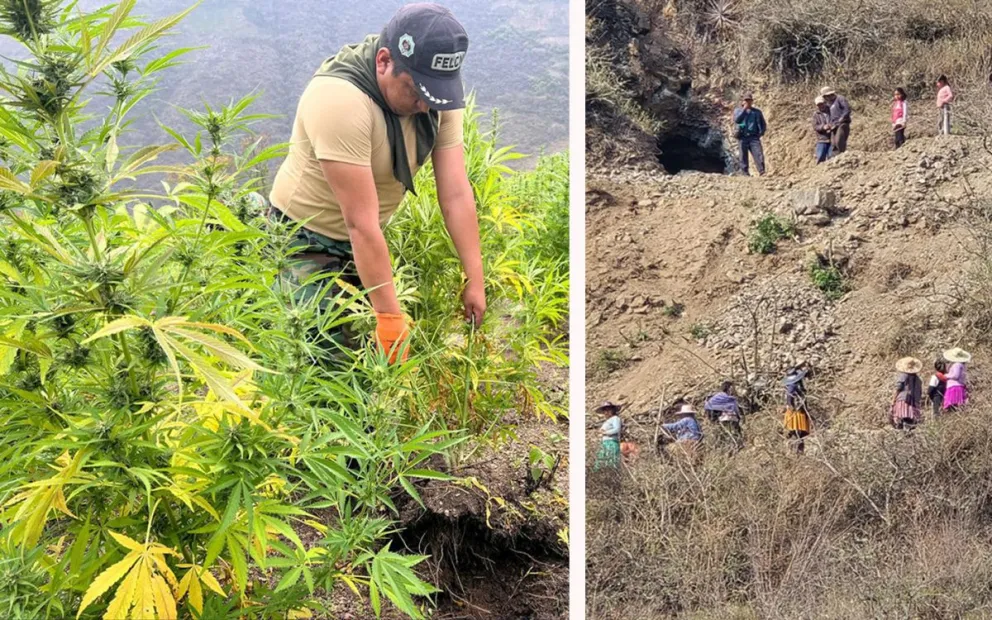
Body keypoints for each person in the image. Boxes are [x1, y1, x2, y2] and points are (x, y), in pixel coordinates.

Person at [267, 4, 486, 364]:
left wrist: (475, 278)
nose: (423, 105)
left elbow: (456, 193)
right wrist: (389, 319)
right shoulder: (340, 100)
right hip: (302, 241)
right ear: (384, 61)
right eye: (416, 90)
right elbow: (360, 224)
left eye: (435, 94)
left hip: (366, 242)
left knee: (368, 368)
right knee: (322, 365)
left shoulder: (437, 98)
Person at [732, 93, 767, 176]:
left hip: (754, 137)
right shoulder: (738, 110)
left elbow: (763, 124)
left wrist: (761, 133)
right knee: (743, 156)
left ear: (752, 101)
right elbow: (737, 120)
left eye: (749, 100)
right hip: (742, 136)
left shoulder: (757, 112)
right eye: (746, 100)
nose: (748, 102)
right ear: (743, 101)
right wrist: (744, 110)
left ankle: (762, 172)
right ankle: (745, 173)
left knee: (758, 154)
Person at [704, 381, 744, 452]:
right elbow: (734, 408)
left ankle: (730, 448)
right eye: (733, 388)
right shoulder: (728, 398)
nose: (734, 390)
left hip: (722, 419)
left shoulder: (718, 397)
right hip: (729, 419)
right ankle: (734, 447)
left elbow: (709, 405)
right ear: (729, 388)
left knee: (727, 434)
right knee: (732, 434)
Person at [782, 365, 812, 454]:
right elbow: (790, 395)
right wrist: (791, 405)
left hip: (795, 411)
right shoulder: (793, 386)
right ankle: (797, 452)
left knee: (797, 433)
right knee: (797, 433)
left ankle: (796, 452)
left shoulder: (793, 385)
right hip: (796, 412)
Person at [891, 357, 923, 430]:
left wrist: (894, 399)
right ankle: (908, 430)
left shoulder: (903, 376)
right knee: (910, 418)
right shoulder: (918, 379)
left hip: (904, 399)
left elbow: (899, 387)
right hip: (914, 402)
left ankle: (903, 430)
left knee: (902, 417)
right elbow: (919, 392)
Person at [821, 87, 852, 154]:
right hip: (834, 125)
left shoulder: (840, 99)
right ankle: (835, 158)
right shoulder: (829, 103)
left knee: (839, 141)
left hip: (842, 123)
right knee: (833, 143)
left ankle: (842, 155)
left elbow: (847, 110)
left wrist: (842, 118)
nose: (827, 98)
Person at [593, 401, 623, 471]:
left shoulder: (615, 418)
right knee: (601, 461)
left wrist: (605, 433)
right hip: (604, 443)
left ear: (612, 410)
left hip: (612, 443)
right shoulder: (606, 421)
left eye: (608, 409)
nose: (606, 412)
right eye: (604, 410)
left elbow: (617, 429)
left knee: (612, 462)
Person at [812, 95, 833, 163]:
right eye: (819, 105)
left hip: (833, 138)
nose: (821, 106)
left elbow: (837, 120)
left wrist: (832, 126)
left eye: (822, 104)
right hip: (822, 139)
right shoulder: (816, 114)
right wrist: (823, 127)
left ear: (825, 102)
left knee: (831, 157)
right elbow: (815, 126)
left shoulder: (832, 110)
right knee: (820, 157)